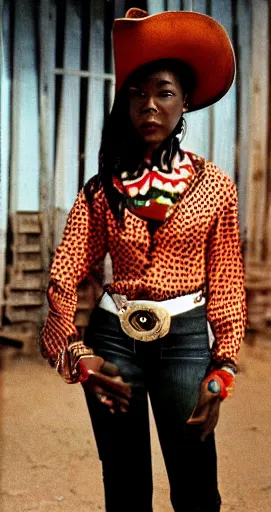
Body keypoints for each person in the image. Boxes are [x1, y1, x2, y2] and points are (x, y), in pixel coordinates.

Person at [39, 8, 246, 512]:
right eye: (136, 92)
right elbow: (65, 271)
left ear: (186, 102)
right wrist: (77, 352)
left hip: (186, 339)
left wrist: (223, 367)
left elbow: (227, 281)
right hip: (114, 340)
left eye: (164, 92)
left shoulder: (216, 186)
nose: (148, 105)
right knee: (126, 486)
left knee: (196, 485)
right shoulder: (102, 189)